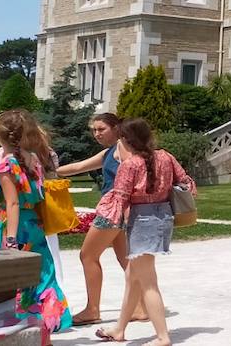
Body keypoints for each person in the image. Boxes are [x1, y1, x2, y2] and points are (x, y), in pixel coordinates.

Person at [93, 118, 196, 346]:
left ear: (125, 140)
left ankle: (162, 336)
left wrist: (109, 220)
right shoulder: (165, 156)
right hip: (163, 217)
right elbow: (186, 182)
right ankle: (119, 329)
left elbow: (119, 197)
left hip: (141, 221)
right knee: (133, 277)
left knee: (148, 281)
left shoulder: (130, 165)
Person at [0, 109, 74, 342]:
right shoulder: (34, 159)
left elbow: (9, 202)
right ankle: (45, 334)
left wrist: (6, 237)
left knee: (6, 281)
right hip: (34, 226)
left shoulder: (5, 165)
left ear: (0, 137)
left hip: (10, 226)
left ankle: (9, 332)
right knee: (42, 277)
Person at [56, 113, 147, 326]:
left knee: (87, 255)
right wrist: (47, 171)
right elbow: (78, 167)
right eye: (94, 130)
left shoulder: (122, 147)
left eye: (101, 129)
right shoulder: (110, 152)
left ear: (116, 128)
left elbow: (132, 173)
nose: (96, 134)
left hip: (113, 210)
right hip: (120, 211)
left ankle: (92, 309)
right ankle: (141, 307)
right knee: (127, 261)